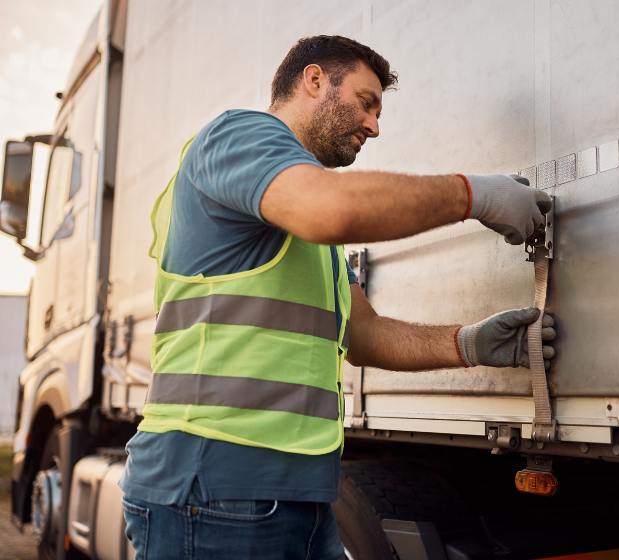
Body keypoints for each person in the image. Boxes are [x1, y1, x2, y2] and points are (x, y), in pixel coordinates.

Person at [119, 35, 555, 560]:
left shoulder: (294, 217)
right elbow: (331, 211)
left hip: (300, 493)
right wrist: (475, 195)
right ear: (314, 80)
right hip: (213, 483)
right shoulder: (237, 136)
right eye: (366, 102)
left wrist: (468, 344)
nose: (374, 124)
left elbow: (360, 331)